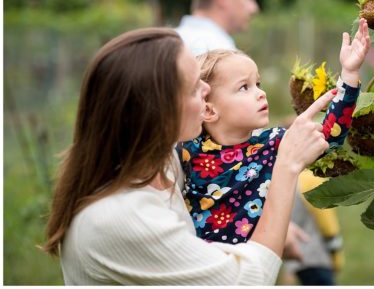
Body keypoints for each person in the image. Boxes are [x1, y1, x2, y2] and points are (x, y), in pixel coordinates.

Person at [42, 28, 335, 284]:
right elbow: (247, 281)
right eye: (195, 86)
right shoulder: (119, 218)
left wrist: (261, 226)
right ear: (158, 109)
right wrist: (287, 165)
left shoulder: (163, 164)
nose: (207, 90)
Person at [175, 0, 346, 284]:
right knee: (307, 243)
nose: (254, 7)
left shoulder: (172, 40)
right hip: (248, 177)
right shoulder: (212, 52)